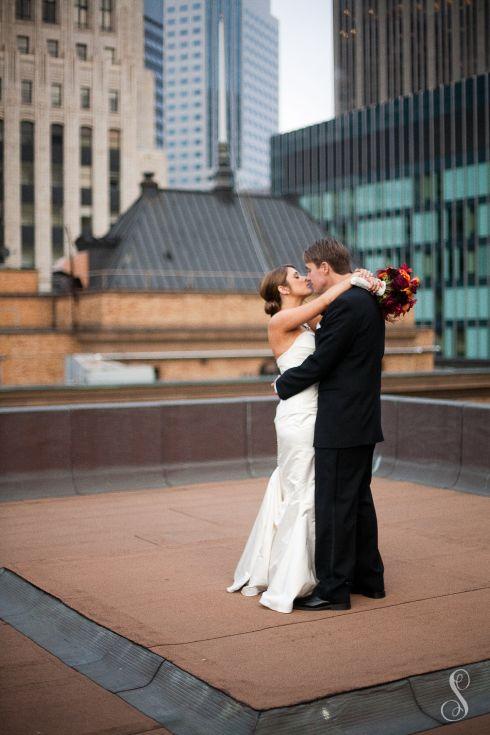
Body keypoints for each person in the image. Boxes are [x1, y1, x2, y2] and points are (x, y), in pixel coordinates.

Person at [226, 255, 379, 613]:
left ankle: (320, 571)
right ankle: (298, 575)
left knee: (318, 492)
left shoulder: (309, 321)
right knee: (303, 492)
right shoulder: (281, 320)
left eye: (306, 271)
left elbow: (340, 323)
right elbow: (328, 301)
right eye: (298, 275)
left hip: (320, 414)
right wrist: (354, 279)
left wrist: (369, 288)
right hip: (297, 418)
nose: (305, 278)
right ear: (283, 288)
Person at [276, 237, 386, 612]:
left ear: (325, 268)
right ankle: (368, 579)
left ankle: (333, 589)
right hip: (363, 419)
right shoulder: (365, 300)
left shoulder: (346, 305)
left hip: (341, 422)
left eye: (309, 269)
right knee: (357, 502)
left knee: (335, 507)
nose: (308, 275)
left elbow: (323, 361)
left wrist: (282, 384)